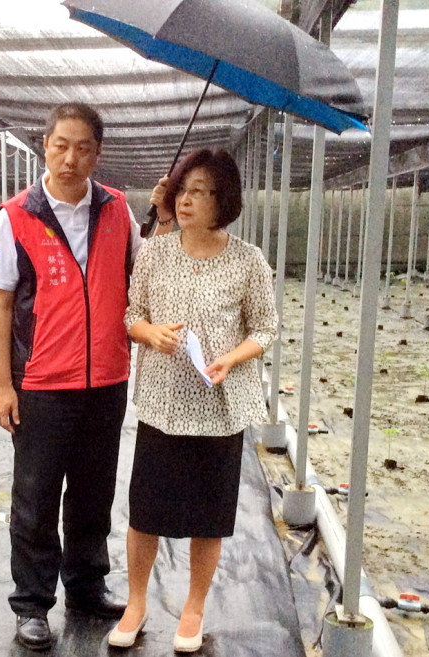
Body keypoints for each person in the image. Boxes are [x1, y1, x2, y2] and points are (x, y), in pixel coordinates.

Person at [0, 102, 146, 651]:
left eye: (83, 148)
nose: (71, 158)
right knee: (35, 495)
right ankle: (31, 604)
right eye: (61, 145)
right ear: (44, 146)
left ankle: (86, 584)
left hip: (105, 380)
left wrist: (166, 216)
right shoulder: (16, 216)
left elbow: (142, 277)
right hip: (42, 383)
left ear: (97, 154)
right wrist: (5, 385)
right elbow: (1, 304)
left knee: (93, 491)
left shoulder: (119, 211)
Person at [108, 149, 277, 653]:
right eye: (184, 189)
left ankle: (193, 606)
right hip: (162, 403)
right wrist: (149, 333)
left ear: (223, 200)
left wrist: (231, 358)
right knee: (146, 510)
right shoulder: (156, 251)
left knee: (209, 513)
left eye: (202, 191)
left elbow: (266, 328)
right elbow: (130, 314)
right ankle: (136, 603)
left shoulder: (248, 260)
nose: (188, 200)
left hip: (218, 408)